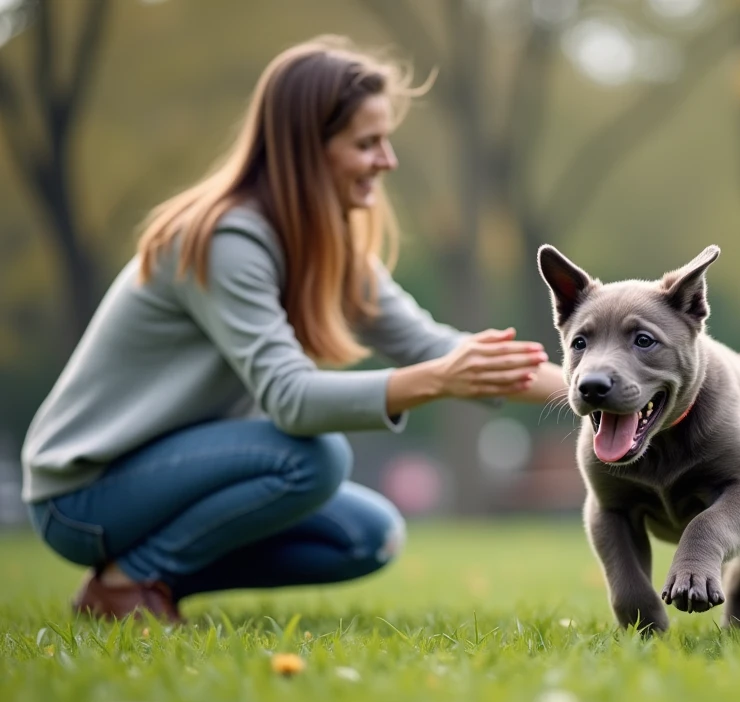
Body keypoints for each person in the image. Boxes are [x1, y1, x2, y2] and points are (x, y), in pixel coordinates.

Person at [19, 36, 565, 624]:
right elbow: (292, 401)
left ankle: (144, 579)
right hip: (83, 494)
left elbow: (440, 348)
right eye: (366, 143)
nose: (388, 160)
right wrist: (433, 381)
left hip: (173, 477)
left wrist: (604, 394)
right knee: (312, 458)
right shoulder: (226, 240)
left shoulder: (329, 246)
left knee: (367, 535)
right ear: (307, 150)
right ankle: (125, 587)